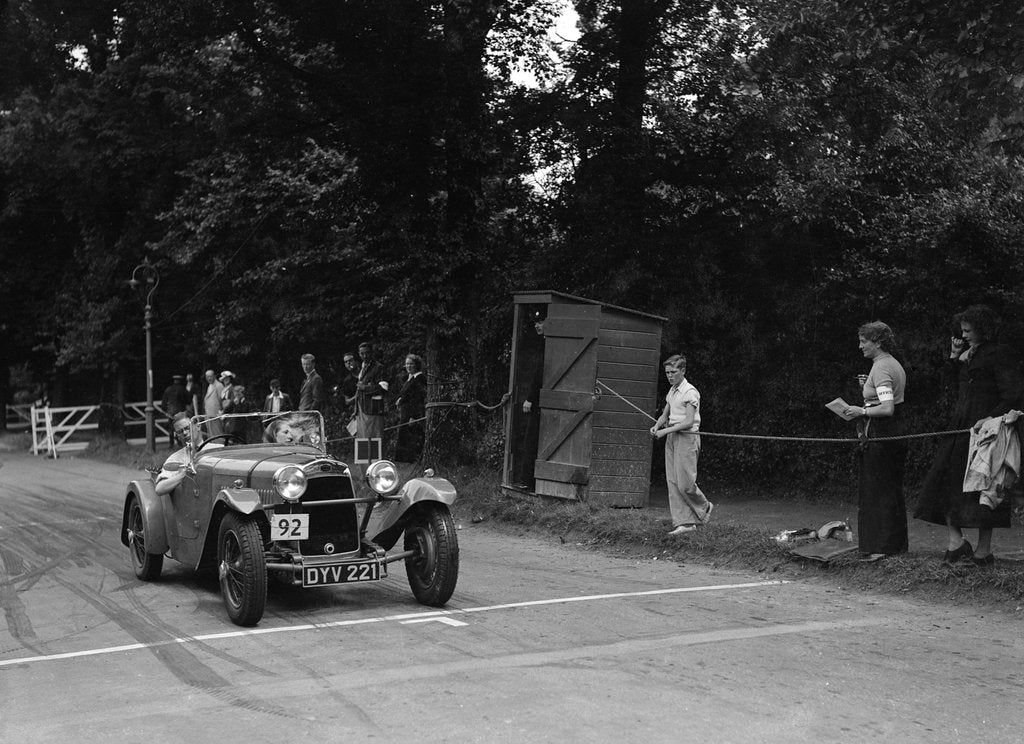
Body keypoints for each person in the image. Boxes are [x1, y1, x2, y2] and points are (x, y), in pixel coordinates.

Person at [914, 305, 1024, 566]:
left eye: (968, 329)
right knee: (944, 481)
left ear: (983, 329)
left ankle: (983, 552)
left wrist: (992, 416)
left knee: (985, 490)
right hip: (961, 427)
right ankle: (956, 542)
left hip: (987, 431)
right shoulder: (966, 353)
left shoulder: (1000, 353)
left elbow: (1014, 393)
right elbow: (952, 386)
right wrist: (954, 356)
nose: (963, 334)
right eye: (962, 329)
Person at [842, 321, 909, 560]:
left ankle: (880, 547)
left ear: (878, 343)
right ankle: (894, 545)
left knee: (877, 490)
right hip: (893, 432)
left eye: (864, 341)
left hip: (882, 434)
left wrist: (861, 411)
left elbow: (887, 408)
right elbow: (884, 397)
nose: (860, 346)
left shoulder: (881, 368)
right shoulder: (890, 363)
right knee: (889, 488)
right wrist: (867, 390)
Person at [650, 354, 713, 535]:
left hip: (687, 436)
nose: (670, 376)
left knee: (685, 483)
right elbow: (665, 415)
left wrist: (664, 431)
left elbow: (687, 422)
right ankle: (685, 523)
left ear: (683, 371)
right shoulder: (672, 391)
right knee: (673, 481)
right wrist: (656, 426)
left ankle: (704, 507)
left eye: (673, 372)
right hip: (672, 437)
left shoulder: (690, 392)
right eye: (667, 373)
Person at [512, 308, 545, 490]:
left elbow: (540, 374)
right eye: (535, 323)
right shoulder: (542, 343)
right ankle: (528, 481)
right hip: (541, 400)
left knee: (532, 440)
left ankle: (528, 482)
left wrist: (530, 398)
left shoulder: (548, 345)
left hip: (540, 401)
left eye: (540, 322)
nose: (537, 325)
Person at [394, 354, 427, 463]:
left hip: (413, 413)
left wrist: (414, 416)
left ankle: (415, 461)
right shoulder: (410, 378)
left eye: (411, 364)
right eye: (407, 364)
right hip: (405, 412)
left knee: (414, 437)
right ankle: (407, 462)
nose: (408, 366)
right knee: (406, 436)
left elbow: (418, 399)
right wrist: (401, 399)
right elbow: (407, 394)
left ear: (417, 365)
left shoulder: (420, 378)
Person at [355, 342, 389, 441]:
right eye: (362, 353)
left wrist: (364, 388)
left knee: (375, 438)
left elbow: (383, 388)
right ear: (359, 354)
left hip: (373, 409)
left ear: (371, 353)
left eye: (367, 353)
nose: (365, 356)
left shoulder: (378, 367)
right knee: (363, 438)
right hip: (361, 409)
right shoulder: (360, 367)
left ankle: (377, 457)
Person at [160, 374, 191, 448]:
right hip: (180, 411)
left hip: (171, 412)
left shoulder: (168, 389)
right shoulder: (183, 389)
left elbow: (164, 402)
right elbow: (188, 401)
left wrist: (165, 410)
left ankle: (171, 443)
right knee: (180, 427)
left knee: (171, 428)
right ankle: (180, 442)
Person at [202, 369, 224, 437]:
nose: (209, 378)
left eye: (210, 376)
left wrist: (220, 412)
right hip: (209, 414)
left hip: (215, 414)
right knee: (211, 435)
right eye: (207, 377)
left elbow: (221, 400)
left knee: (217, 433)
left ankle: (220, 446)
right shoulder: (210, 386)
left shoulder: (219, 385)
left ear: (214, 376)